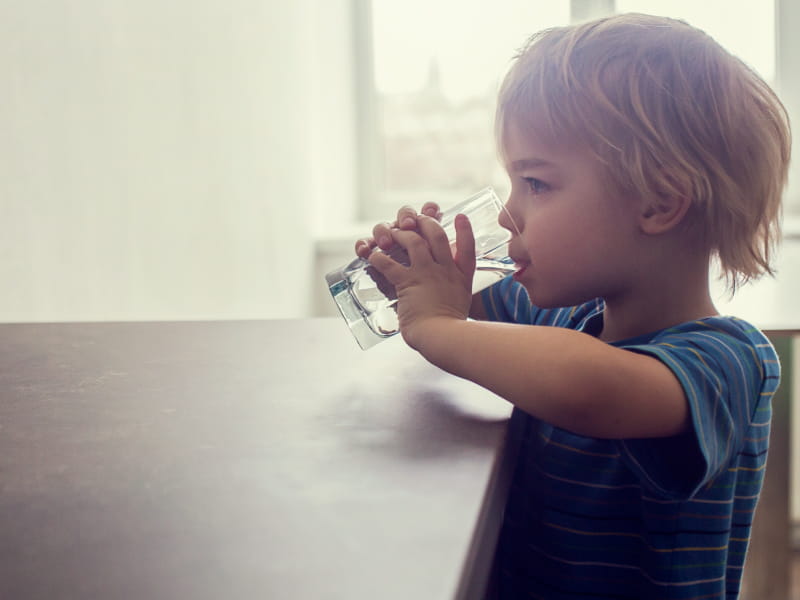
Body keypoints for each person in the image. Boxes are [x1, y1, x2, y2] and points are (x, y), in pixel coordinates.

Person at [354, 12, 791, 600]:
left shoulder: (730, 361)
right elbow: (477, 305)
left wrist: (435, 323)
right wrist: (416, 276)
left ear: (660, 202)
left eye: (536, 184)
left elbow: (591, 389)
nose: (509, 215)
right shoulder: (561, 317)